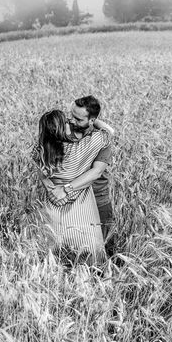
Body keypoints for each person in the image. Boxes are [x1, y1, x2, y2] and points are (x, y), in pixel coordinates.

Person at [32, 109, 113, 266]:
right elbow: (109, 132)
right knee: (88, 259)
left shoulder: (40, 150)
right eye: (68, 121)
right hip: (81, 212)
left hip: (52, 211)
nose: (71, 122)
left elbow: (39, 172)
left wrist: (52, 189)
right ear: (64, 127)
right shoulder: (82, 148)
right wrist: (89, 120)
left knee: (53, 259)